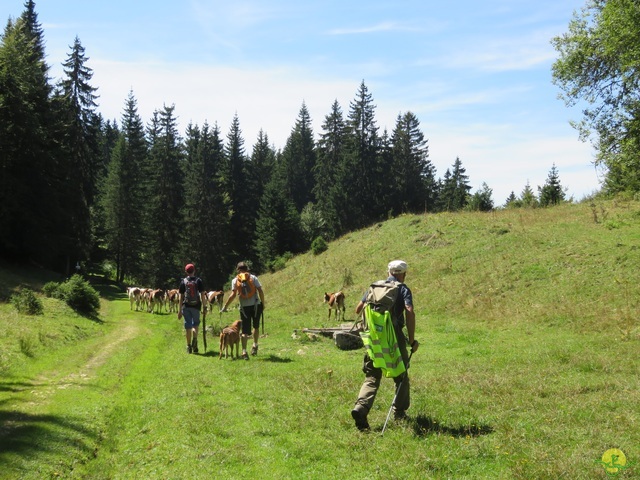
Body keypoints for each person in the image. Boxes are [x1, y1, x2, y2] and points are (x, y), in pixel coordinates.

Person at [351, 260, 419, 431]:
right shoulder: (402, 289)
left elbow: (358, 309)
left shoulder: (375, 287)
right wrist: (411, 340)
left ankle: (361, 407)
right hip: (394, 339)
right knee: (401, 376)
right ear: (404, 274)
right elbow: (409, 312)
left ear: (388, 271)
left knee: (372, 376)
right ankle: (399, 413)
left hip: (374, 340)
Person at [220, 261, 265, 360]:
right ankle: (255, 345)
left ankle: (244, 352)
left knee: (244, 331)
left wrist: (225, 307)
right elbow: (260, 291)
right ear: (247, 269)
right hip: (256, 305)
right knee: (256, 326)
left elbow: (232, 295)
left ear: (238, 270)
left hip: (244, 308)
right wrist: (263, 303)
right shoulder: (253, 278)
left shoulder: (235, 280)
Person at [177, 263, 206, 354]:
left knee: (188, 326)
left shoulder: (184, 281)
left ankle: (189, 346)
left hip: (186, 306)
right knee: (195, 325)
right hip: (196, 306)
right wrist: (204, 307)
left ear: (186, 271)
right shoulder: (198, 281)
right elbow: (202, 295)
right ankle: (195, 340)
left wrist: (179, 310)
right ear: (194, 270)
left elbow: (181, 297)